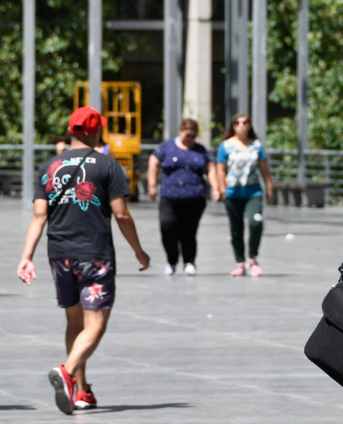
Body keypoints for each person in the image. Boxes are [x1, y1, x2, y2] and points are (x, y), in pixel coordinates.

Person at [17, 106, 151, 414]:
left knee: (74, 322)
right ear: (95, 131)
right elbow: (121, 213)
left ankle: (81, 390)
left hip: (59, 254)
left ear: (71, 130)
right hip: (94, 254)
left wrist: (26, 257)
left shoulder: (49, 166)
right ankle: (67, 372)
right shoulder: (107, 164)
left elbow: (39, 215)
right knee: (96, 325)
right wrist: (138, 250)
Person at [147, 118, 219, 275]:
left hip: (195, 197)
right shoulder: (167, 147)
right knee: (167, 226)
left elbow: (211, 169)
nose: (190, 139)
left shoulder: (200, 150)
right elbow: (153, 162)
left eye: (193, 136)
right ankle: (172, 260)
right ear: (180, 132)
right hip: (169, 196)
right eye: (187, 135)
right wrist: (152, 185)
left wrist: (216, 188)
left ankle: (189, 261)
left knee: (189, 231)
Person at [215, 113, 274, 277]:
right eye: (237, 123)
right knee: (236, 228)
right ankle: (240, 261)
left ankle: (252, 258)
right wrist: (220, 188)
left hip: (252, 191)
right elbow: (220, 169)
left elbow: (264, 169)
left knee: (256, 223)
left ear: (249, 126)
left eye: (245, 122)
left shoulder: (256, 145)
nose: (241, 125)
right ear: (233, 126)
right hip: (233, 193)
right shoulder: (225, 146)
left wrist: (269, 187)